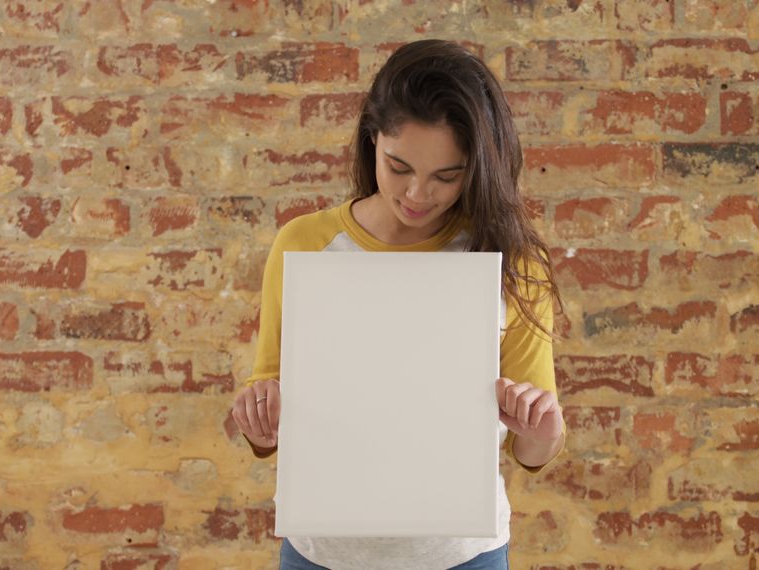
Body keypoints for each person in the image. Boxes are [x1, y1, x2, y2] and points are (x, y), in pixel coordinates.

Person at [231, 39, 567, 570]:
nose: (416, 193)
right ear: (372, 140)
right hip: (322, 555)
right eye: (399, 166)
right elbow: (268, 406)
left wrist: (543, 430)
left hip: (462, 557)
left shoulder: (510, 263)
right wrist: (260, 420)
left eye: (445, 176)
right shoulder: (304, 244)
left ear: (477, 167)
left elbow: (532, 451)